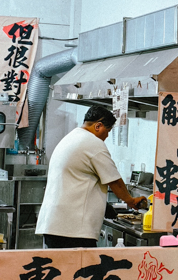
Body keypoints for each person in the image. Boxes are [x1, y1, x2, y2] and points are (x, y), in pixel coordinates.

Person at [36, 105, 148, 248]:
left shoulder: (71, 137)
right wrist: (131, 200)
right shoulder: (93, 143)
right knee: (80, 269)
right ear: (98, 126)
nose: (107, 136)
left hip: (56, 225)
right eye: (108, 131)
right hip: (73, 231)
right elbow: (115, 181)